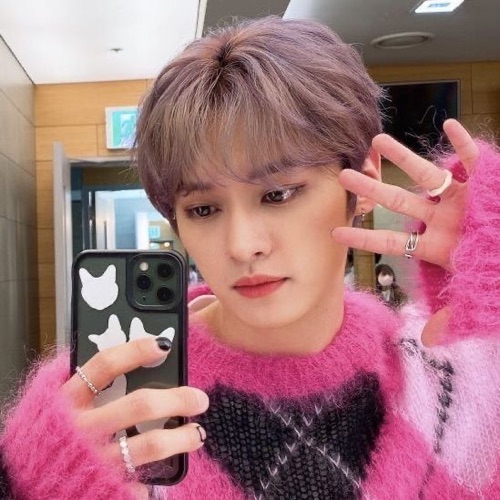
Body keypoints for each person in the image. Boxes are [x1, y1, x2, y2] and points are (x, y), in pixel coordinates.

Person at [1, 16, 499, 499]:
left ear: (365, 179)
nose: (242, 246)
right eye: (203, 209)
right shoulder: (103, 403)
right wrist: (29, 483)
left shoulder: (452, 382)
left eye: (278, 194)